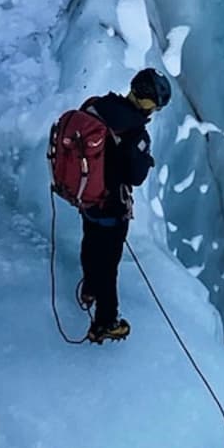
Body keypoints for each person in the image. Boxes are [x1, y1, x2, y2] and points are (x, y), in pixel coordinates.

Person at [73, 66, 171, 343]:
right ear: (148, 102)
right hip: (112, 207)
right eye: (155, 105)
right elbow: (136, 177)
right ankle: (106, 322)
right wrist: (144, 159)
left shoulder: (98, 105)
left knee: (90, 243)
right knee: (109, 263)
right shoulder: (135, 134)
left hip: (87, 197)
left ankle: (89, 288)